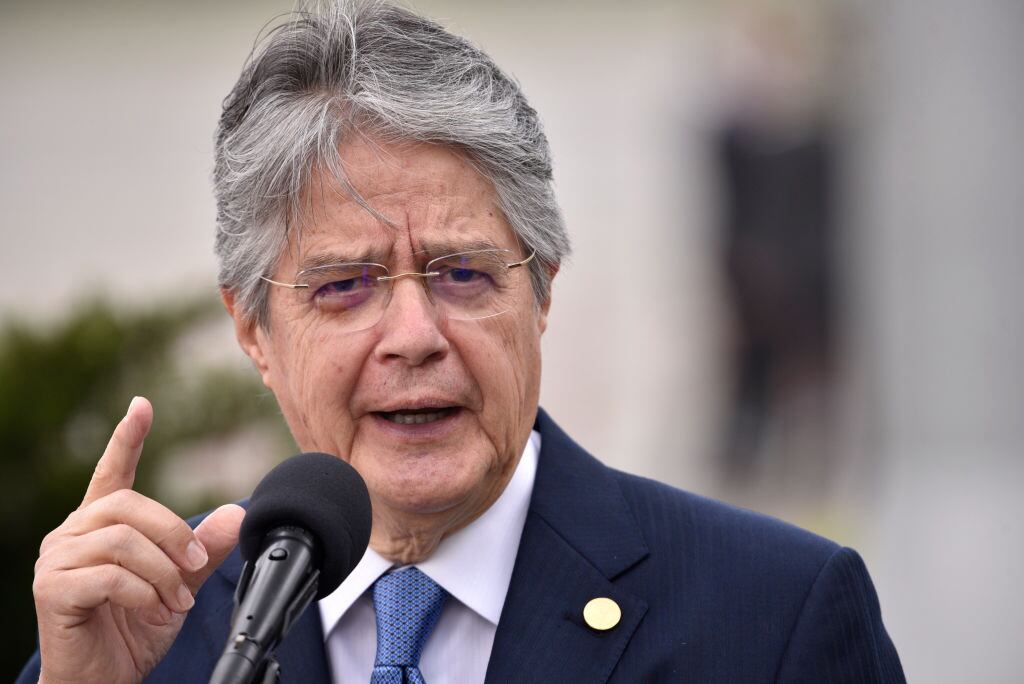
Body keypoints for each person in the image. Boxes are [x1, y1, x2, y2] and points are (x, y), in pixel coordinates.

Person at [18, 1, 904, 682]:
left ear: (542, 289)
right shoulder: (152, 633)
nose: (414, 337)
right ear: (253, 328)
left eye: (464, 274)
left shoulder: (773, 617)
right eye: (344, 286)